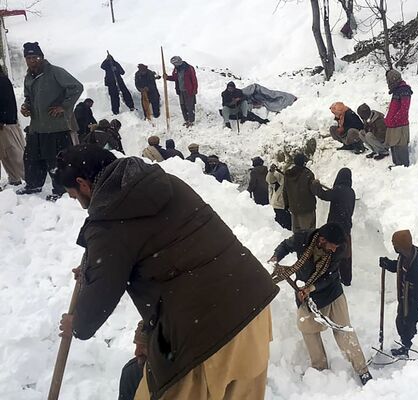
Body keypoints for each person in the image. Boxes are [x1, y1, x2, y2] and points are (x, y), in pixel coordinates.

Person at [55, 144, 279, 400]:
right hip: (253, 305)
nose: (79, 204)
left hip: (203, 333)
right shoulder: (164, 183)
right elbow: (174, 254)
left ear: (83, 184)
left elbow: (100, 298)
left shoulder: (108, 222)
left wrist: (78, 323)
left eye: (73, 196)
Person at [269, 223, 372, 386]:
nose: (333, 249)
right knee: (308, 330)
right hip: (305, 293)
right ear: (322, 240)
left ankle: (362, 370)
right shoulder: (302, 238)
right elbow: (285, 245)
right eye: (331, 246)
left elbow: (330, 276)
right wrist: (276, 256)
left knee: (344, 331)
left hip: (331, 293)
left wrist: (311, 287)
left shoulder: (339, 249)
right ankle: (320, 368)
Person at [18, 42, 83, 201]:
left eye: (35, 57)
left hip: (55, 127)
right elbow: (28, 96)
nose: (32, 60)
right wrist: (26, 107)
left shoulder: (55, 72)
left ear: (42, 57)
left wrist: (64, 106)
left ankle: (61, 191)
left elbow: (76, 87)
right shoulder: (29, 76)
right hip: (36, 127)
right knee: (32, 158)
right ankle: (33, 185)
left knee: (57, 162)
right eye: (29, 58)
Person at [378, 230, 418, 358]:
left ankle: (414, 350)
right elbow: (398, 267)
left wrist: (416, 305)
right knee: (401, 323)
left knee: (411, 325)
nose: (394, 247)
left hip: (413, 302)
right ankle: (406, 346)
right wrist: (388, 264)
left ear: (401, 246)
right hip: (403, 299)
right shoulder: (404, 255)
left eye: (395, 245)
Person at [311, 168, 355, 286]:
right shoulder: (351, 192)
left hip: (335, 228)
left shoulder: (338, 190)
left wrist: (316, 185)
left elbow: (323, 195)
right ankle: (346, 279)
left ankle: (331, 276)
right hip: (346, 227)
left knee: (332, 253)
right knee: (346, 254)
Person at [0, 67, 26, 187]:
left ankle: (29, 178)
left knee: (14, 152)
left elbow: (5, 101)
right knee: (5, 155)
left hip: (6, 124)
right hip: (5, 122)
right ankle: (14, 179)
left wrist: (2, 119)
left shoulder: (2, 80)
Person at [384, 70, 412, 167]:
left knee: (400, 145)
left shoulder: (404, 90)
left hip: (399, 124)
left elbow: (404, 108)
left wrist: (395, 119)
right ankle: (397, 164)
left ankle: (403, 165)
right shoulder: (397, 90)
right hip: (393, 123)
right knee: (394, 144)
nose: (388, 83)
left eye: (388, 80)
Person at [283, 153, 316, 232]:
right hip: (307, 209)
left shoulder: (288, 175)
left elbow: (285, 191)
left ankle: (298, 244)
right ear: (304, 162)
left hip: (294, 208)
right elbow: (314, 190)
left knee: (297, 234)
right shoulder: (308, 174)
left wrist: (287, 205)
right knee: (309, 234)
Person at [165, 56, 198, 127]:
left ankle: (191, 121)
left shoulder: (189, 68)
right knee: (183, 106)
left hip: (189, 91)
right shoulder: (176, 69)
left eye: (175, 63)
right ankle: (186, 120)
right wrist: (167, 77)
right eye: (173, 64)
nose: (174, 65)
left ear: (179, 62)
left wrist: (194, 89)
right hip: (180, 91)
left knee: (190, 106)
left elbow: (194, 79)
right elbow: (175, 78)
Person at [266, 163, 292, 230]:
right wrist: (271, 171)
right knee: (280, 227)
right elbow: (269, 180)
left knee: (287, 226)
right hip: (278, 205)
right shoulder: (279, 176)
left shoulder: (291, 179)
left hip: (286, 206)